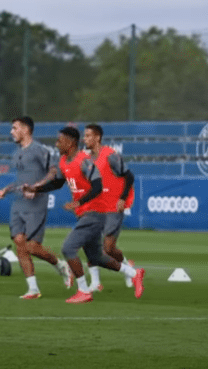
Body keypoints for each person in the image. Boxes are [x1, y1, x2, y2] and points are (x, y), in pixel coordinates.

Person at [25, 127, 144, 304]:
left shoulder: (84, 161)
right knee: (96, 257)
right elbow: (58, 183)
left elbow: (97, 185)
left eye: (60, 140)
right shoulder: (65, 161)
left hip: (95, 213)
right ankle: (134, 274)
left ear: (71, 142)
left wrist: (79, 202)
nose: (57, 144)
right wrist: (37, 189)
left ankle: (83, 290)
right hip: (85, 214)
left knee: (68, 248)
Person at [0, 116, 73, 300]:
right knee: (20, 244)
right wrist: (6, 189)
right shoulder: (16, 153)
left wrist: (37, 187)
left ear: (25, 129)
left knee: (32, 246)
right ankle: (33, 289)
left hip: (36, 205)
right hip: (18, 203)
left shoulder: (39, 150)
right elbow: (21, 180)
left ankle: (60, 265)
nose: (11, 132)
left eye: (14, 128)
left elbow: (53, 172)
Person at [82, 123, 136, 292]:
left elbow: (129, 176)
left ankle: (127, 268)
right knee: (90, 242)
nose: (85, 139)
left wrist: (122, 198)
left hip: (113, 206)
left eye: (88, 136)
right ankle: (95, 283)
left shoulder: (110, 155)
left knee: (108, 248)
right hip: (96, 207)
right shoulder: (87, 158)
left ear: (97, 137)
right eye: (84, 136)